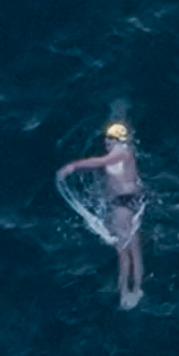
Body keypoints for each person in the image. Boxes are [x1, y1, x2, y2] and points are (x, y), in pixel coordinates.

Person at [58, 120, 146, 309]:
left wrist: (72, 167)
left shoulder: (122, 153)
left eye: (109, 138)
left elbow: (99, 162)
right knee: (130, 251)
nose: (106, 142)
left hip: (123, 207)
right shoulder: (123, 155)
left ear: (116, 140)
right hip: (125, 205)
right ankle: (132, 289)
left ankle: (128, 291)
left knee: (126, 252)